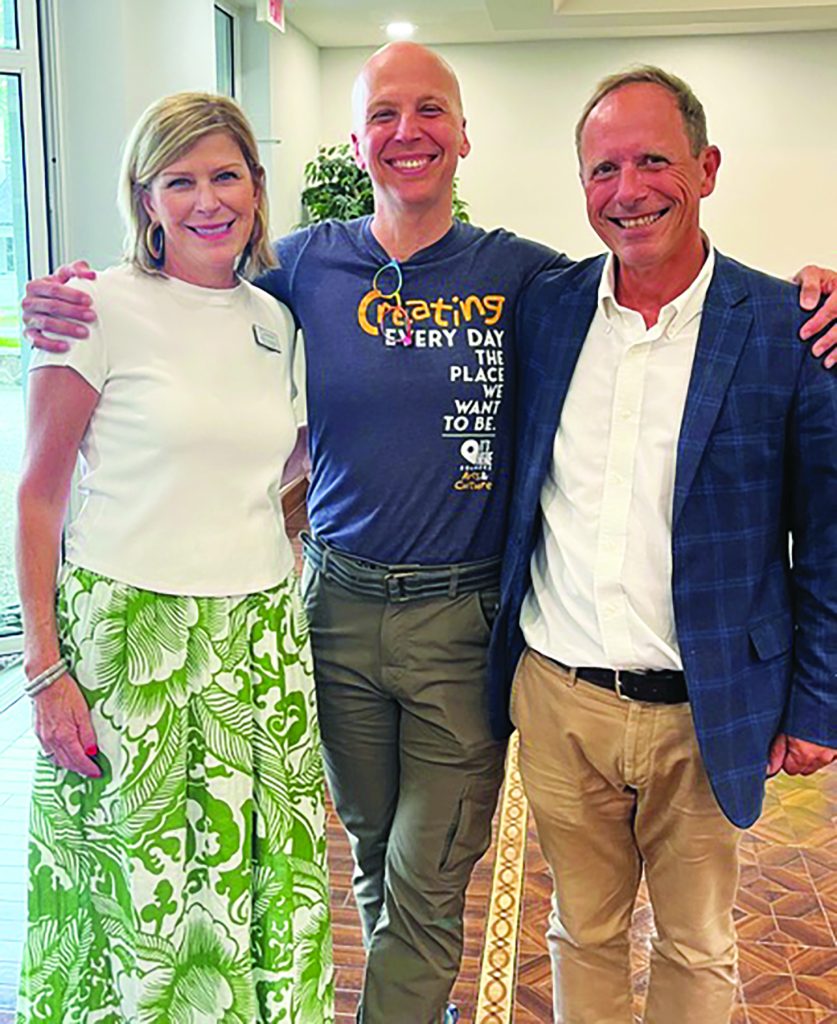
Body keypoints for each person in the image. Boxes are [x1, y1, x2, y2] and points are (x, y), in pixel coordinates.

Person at [17, 44, 837, 1024]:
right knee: (374, 852)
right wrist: (69, 295)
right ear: (357, 143)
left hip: (465, 618)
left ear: (463, 135)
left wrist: (815, 294)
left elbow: (669, 285)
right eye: (385, 115)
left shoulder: (530, 279)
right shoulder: (303, 273)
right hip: (331, 610)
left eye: (431, 110)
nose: (409, 133)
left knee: (431, 870)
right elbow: (194, 315)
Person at [489, 66, 836, 1024]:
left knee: (697, 945)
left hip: (708, 706)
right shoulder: (546, 311)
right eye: (603, 170)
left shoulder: (787, 328)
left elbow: (830, 540)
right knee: (581, 933)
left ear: (707, 167)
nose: (627, 190)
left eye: (653, 161)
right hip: (560, 700)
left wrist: (817, 701)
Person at [15, 93, 333, 1023]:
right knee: (141, 899)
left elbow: (288, 468)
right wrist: (44, 672)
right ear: (145, 199)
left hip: (258, 643)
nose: (207, 200)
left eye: (225, 175)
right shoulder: (91, 306)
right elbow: (38, 496)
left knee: (259, 880)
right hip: (128, 646)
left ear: (257, 187)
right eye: (179, 180)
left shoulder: (276, 321)